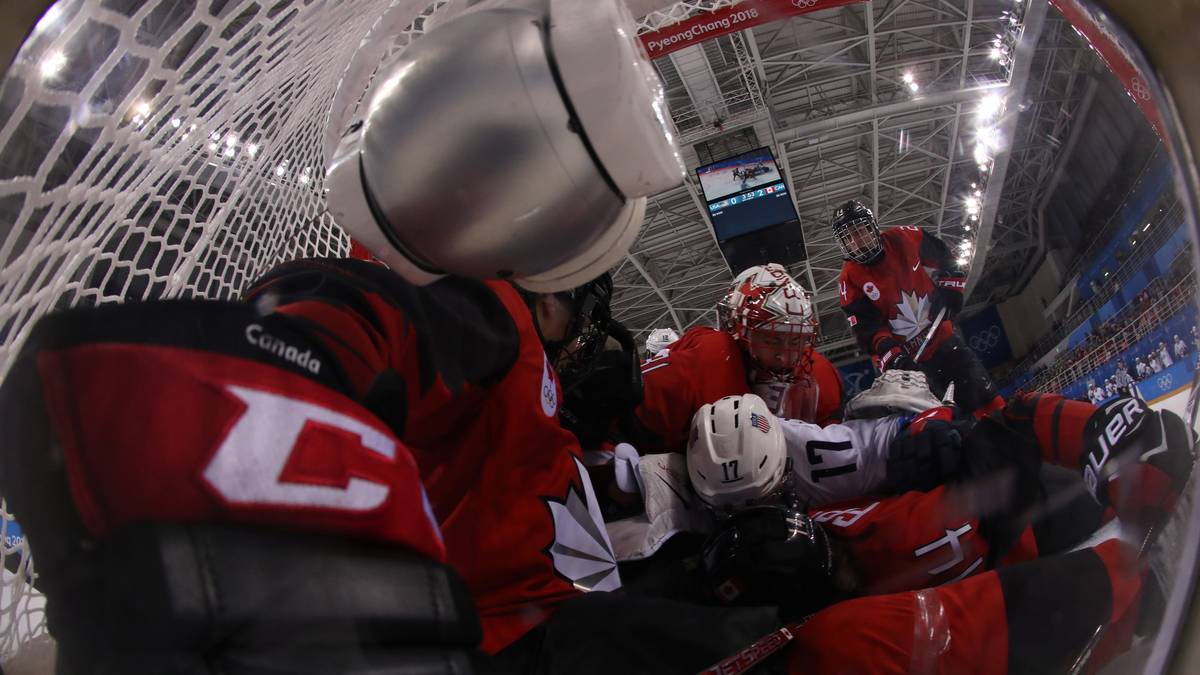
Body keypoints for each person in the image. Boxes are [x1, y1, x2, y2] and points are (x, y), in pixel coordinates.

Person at [0, 0, 713, 670]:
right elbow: (335, 335)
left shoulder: (481, 323)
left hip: (558, 608)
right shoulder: (473, 310)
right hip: (527, 633)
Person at [633, 263, 844, 454]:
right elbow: (628, 417)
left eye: (796, 340)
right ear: (737, 329)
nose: (784, 356)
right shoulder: (706, 362)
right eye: (772, 340)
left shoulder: (820, 374)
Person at [833, 200, 1004, 418]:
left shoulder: (904, 238)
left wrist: (951, 290)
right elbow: (869, 331)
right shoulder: (849, 281)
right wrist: (896, 359)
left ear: (872, 227)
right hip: (907, 369)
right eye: (849, 238)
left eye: (860, 232)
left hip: (943, 341)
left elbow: (945, 255)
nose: (857, 241)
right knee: (944, 424)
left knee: (986, 401)